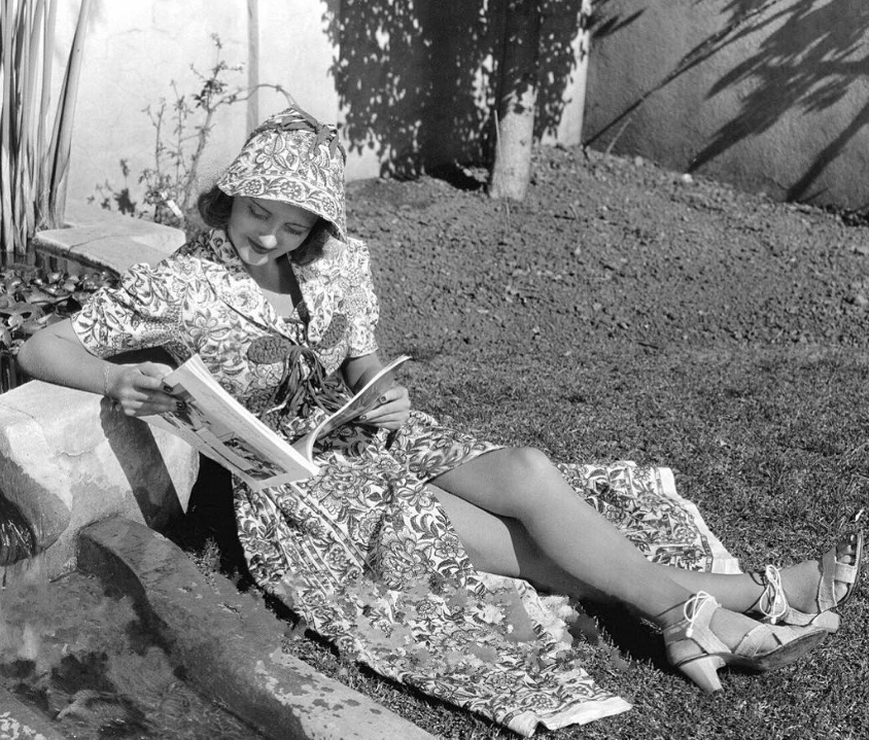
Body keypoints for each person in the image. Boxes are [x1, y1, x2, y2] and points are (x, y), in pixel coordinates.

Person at [18, 105, 863, 736]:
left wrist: (379, 388)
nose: (270, 238)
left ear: (316, 226)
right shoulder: (180, 282)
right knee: (482, 536)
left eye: (293, 225)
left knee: (527, 471)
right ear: (228, 198)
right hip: (294, 476)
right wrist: (115, 378)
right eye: (257, 214)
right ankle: (732, 604)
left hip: (365, 429)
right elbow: (39, 347)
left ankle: (710, 613)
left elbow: (359, 357)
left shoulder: (338, 265)